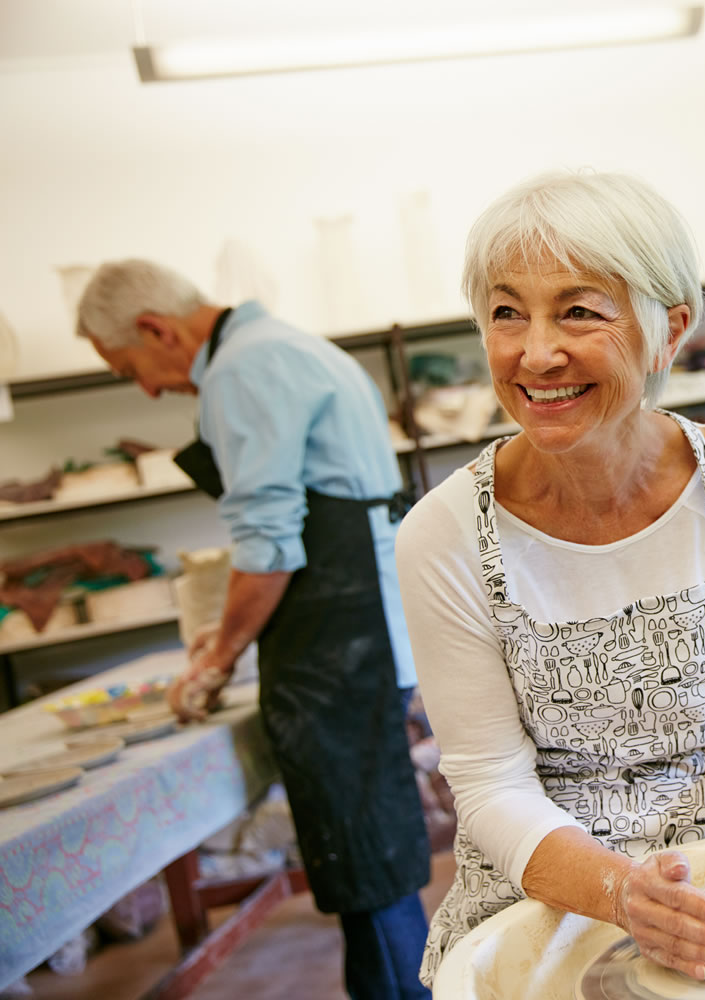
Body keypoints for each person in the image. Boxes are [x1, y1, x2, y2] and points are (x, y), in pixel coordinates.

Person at [396, 170, 705, 987]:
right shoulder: (443, 532)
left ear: (668, 330)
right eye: (508, 313)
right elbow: (491, 783)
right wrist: (618, 892)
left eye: (578, 310)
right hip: (540, 900)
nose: (536, 354)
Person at [75, 261, 432, 1000]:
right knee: (369, 851)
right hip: (362, 624)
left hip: (339, 636)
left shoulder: (244, 368)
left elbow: (269, 546)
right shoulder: (291, 346)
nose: (143, 389)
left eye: (127, 367)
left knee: (363, 856)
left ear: (154, 329)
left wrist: (217, 654)